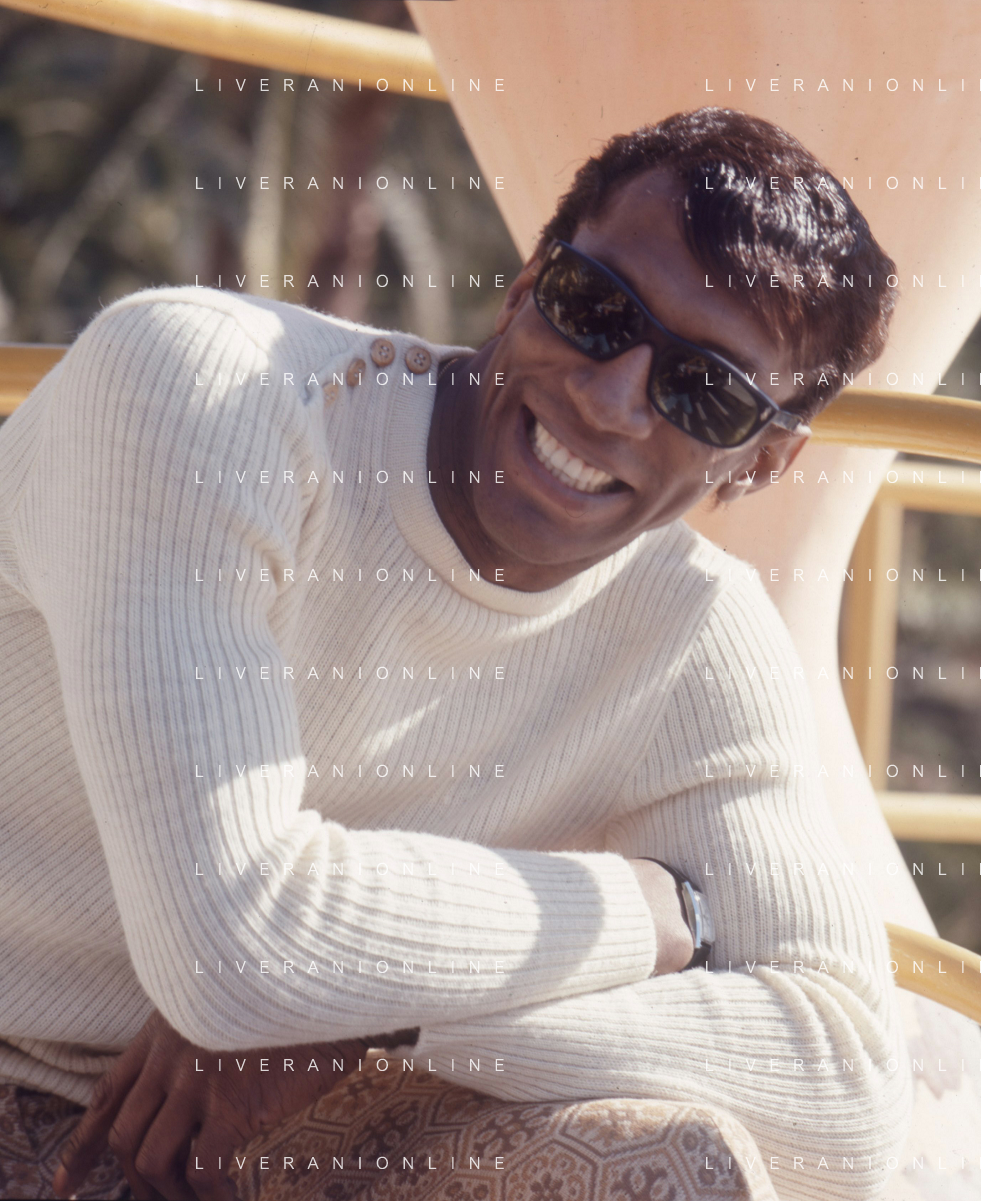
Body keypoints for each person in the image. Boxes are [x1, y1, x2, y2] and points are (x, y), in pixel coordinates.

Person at [0, 107, 911, 1201]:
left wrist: (388, 1024)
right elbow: (232, 946)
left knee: (677, 1168)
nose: (610, 399)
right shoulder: (206, 397)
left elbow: (846, 1091)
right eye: (595, 310)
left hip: (294, 1122)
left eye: (704, 392)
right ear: (525, 288)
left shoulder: (694, 633)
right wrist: (649, 911)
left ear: (763, 462)